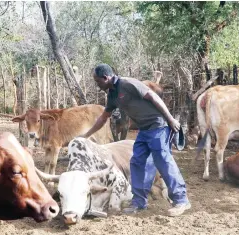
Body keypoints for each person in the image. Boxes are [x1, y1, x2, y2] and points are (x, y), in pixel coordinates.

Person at [80, 63, 190, 217]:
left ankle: (181, 200)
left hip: (158, 125)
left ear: (106, 77)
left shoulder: (127, 84)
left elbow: (153, 96)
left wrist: (170, 119)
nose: (97, 85)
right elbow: (103, 118)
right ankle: (139, 202)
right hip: (144, 130)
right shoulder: (112, 95)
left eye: (98, 81)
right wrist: (85, 136)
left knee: (163, 160)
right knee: (137, 162)